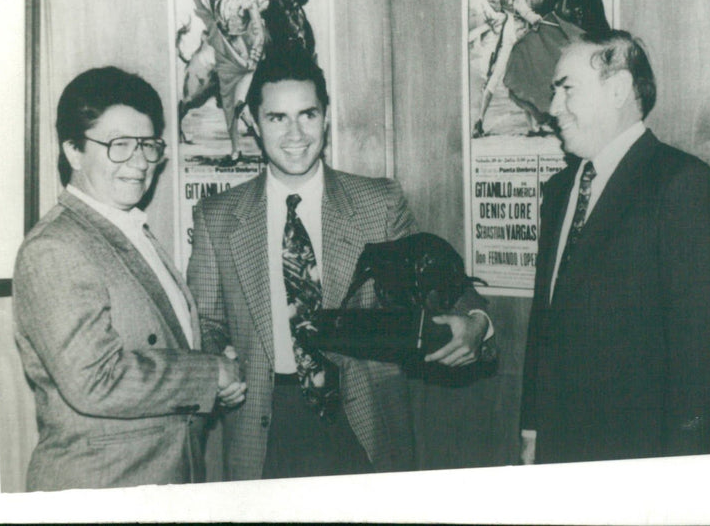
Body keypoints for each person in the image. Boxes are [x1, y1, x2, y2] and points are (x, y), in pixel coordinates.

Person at [187, 48, 495, 480]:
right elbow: (206, 321)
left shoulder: (378, 202)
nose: (295, 133)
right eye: (277, 118)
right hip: (263, 425)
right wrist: (219, 357)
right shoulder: (216, 217)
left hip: (362, 421)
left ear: (326, 118)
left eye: (307, 115)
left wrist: (476, 321)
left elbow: (443, 282)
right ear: (253, 124)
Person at [13, 67, 246, 491]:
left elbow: (166, 341)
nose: (139, 163)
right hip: (101, 490)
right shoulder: (55, 248)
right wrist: (209, 373)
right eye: (119, 146)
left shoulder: (127, 228)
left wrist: (216, 366)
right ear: (74, 151)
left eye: (148, 145)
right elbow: (96, 380)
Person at [520, 31, 710, 464]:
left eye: (566, 90)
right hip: (557, 451)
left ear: (617, 89)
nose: (553, 107)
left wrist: (682, 476)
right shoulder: (561, 190)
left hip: (639, 460)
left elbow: (699, 357)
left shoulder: (681, 183)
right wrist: (532, 427)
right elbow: (545, 323)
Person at [472, 0, 543, 137]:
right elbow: (520, 5)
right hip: (515, 31)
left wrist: (500, 8)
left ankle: (531, 127)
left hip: (512, 28)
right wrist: (533, 17)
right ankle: (479, 122)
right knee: (503, 74)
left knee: (521, 76)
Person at [202, 0, 265, 165]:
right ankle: (235, 152)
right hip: (224, 56)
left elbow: (258, 31)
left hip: (244, 57)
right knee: (229, 106)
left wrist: (254, 58)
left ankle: (264, 146)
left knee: (241, 103)